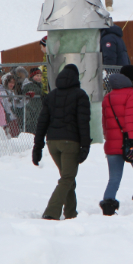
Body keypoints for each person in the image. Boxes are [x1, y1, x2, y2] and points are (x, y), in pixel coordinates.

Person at [32, 64, 91, 220]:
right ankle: (51, 211)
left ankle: (71, 213)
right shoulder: (80, 95)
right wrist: (85, 146)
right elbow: (83, 123)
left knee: (68, 177)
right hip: (70, 143)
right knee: (67, 178)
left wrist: (37, 147)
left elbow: (42, 123)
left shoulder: (51, 96)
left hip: (52, 143)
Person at [99, 73, 133, 215]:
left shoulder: (107, 98)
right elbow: (132, 121)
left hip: (112, 144)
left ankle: (108, 209)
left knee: (114, 178)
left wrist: (109, 139)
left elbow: (105, 124)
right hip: (130, 143)